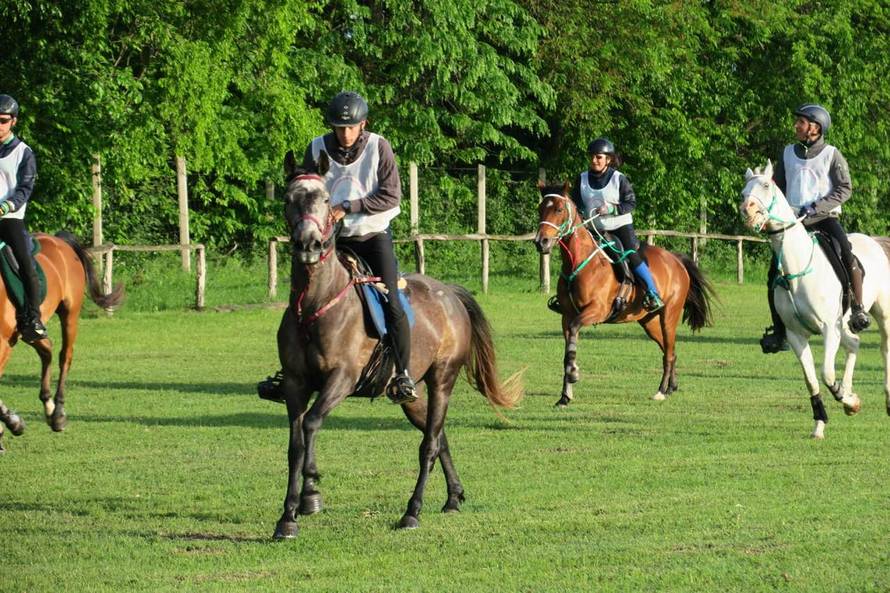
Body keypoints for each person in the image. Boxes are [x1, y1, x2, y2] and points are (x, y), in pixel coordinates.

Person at [258, 91, 417, 404]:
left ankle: (402, 374)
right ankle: (290, 372)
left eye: (351, 127)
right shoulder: (317, 147)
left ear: (363, 124)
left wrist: (347, 205)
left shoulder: (378, 147)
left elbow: (391, 196)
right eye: (339, 127)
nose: (344, 133)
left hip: (372, 236)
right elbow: (307, 187)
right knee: (302, 297)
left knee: (393, 300)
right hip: (331, 238)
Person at [760, 103, 867, 354]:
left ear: (815, 127)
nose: (796, 126)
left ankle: (858, 308)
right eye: (797, 122)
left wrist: (817, 206)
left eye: (801, 122)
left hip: (824, 217)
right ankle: (779, 332)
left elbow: (845, 188)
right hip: (793, 222)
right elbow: (778, 187)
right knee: (772, 274)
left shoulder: (832, 154)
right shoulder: (787, 153)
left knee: (846, 252)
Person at [570, 137, 663, 312]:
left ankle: (653, 293)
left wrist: (612, 209)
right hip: (594, 228)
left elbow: (631, 203)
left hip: (620, 227)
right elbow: (576, 203)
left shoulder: (619, 179)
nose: (594, 160)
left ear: (608, 159)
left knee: (631, 255)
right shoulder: (581, 179)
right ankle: (569, 296)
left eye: (598, 157)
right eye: (592, 157)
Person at [0, 94, 47, 343]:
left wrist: (4, 207)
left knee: (26, 266)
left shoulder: (23, 153)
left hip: (10, 219)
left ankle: (32, 318)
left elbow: (24, 190)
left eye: (3, 120)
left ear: (13, 122)